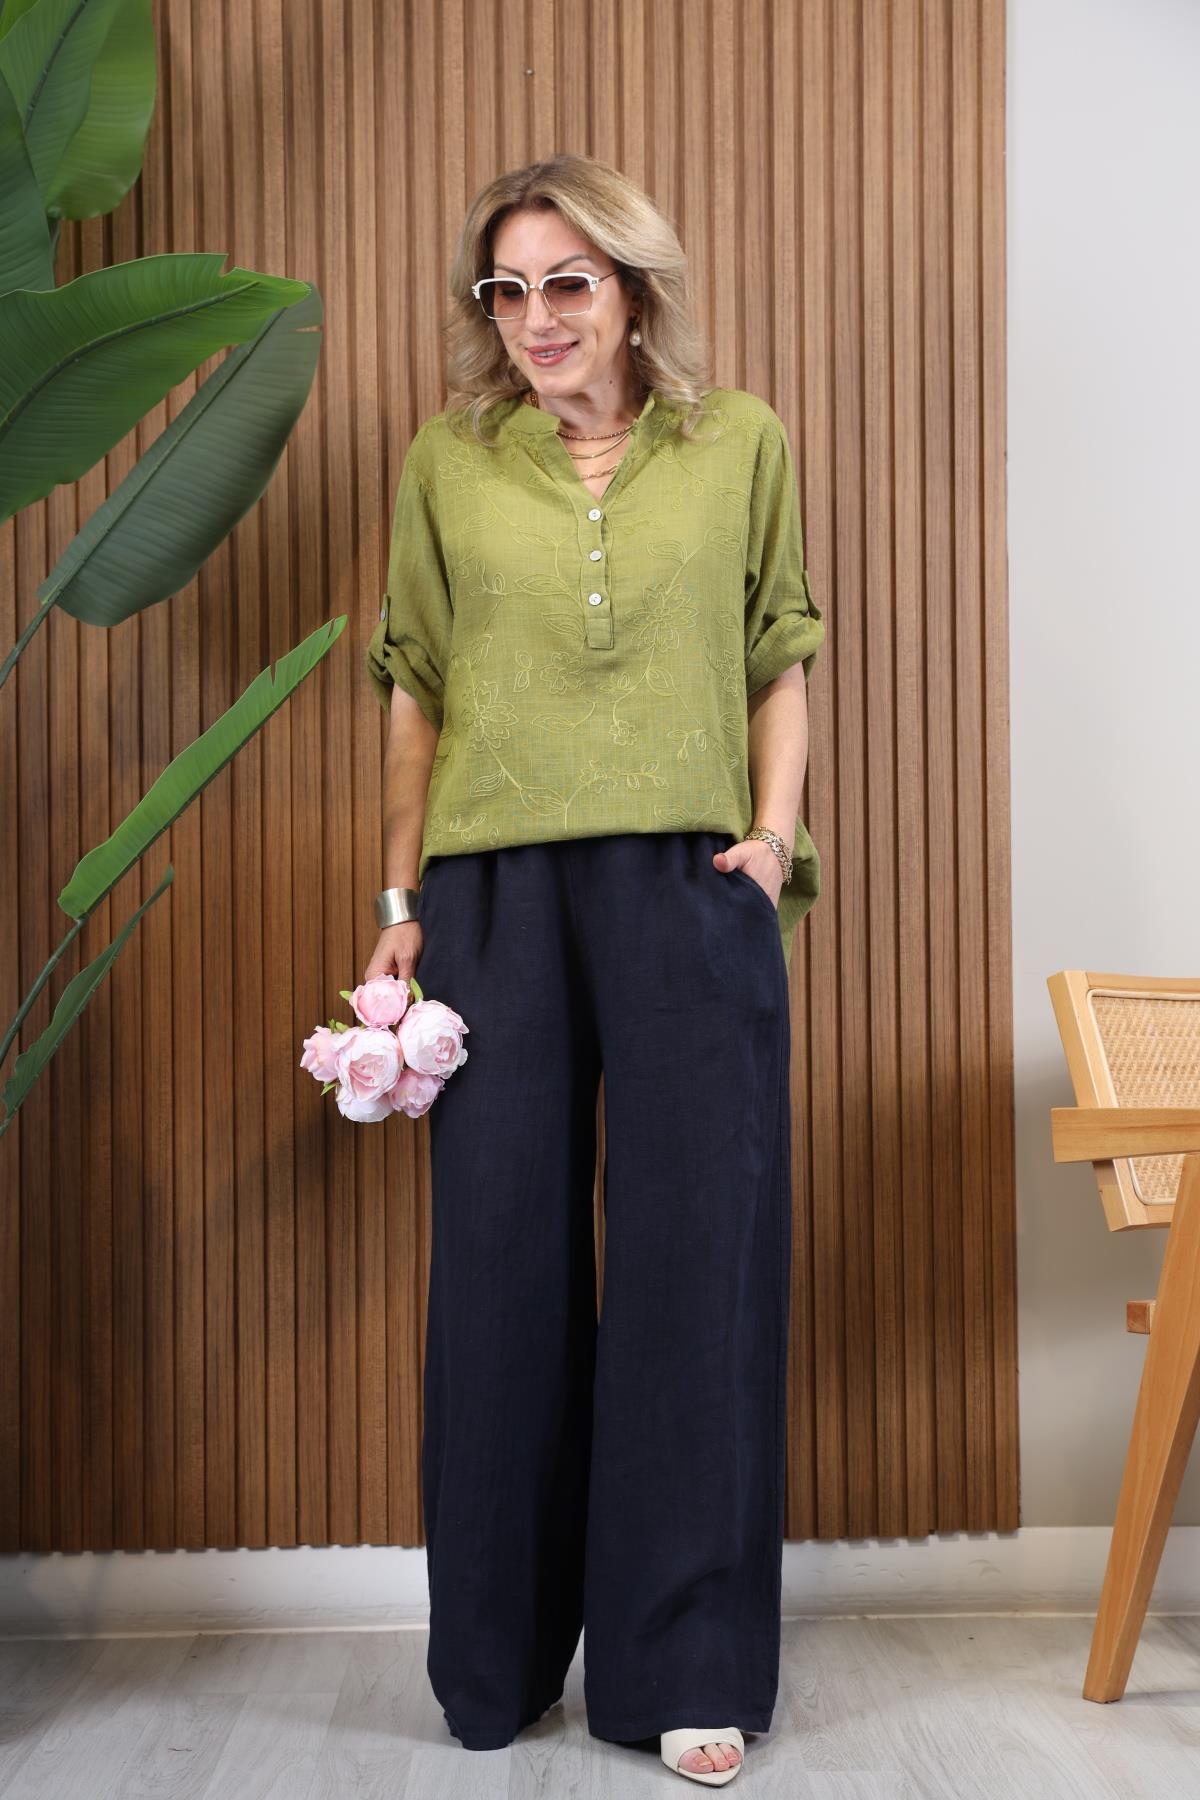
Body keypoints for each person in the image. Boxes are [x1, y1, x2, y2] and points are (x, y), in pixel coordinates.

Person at [363, 151, 825, 1789]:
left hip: (692, 881)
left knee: (702, 1266)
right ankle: (493, 1659)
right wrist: (400, 893)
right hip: (491, 893)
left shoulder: (738, 441)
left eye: (569, 282)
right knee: (498, 1273)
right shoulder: (449, 459)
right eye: (509, 289)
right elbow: (414, 684)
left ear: (632, 290)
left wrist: (770, 838)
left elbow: (780, 650)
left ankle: (685, 1665)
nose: (538, 315)